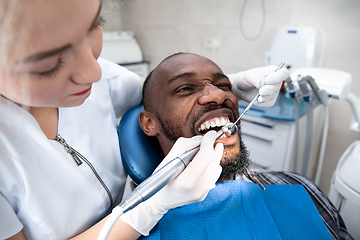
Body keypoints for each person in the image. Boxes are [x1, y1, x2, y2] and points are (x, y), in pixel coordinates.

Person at [0, 1, 289, 239]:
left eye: (93, 26)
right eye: (50, 62)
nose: (94, 74)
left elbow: (157, 95)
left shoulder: (99, 75)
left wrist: (231, 86)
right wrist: (148, 206)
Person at [133, 52, 353, 240]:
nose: (219, 95)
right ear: (149, 123)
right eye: (185, 89)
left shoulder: (301, 186)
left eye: (224, 85)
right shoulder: (136, 226)